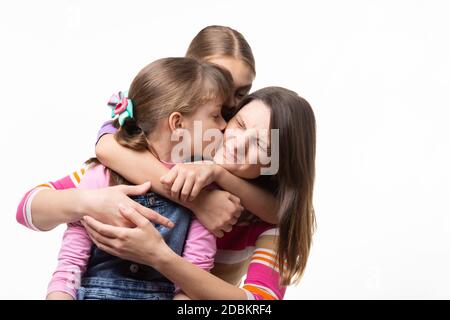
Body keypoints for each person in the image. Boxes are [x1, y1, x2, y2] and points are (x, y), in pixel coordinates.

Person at [47, 57, 235, 300]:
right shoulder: (103, 174)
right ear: (177, 123)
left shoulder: (205, 191)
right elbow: (70, 265)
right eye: (216, 115)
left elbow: (192, 279)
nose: (224, 125)